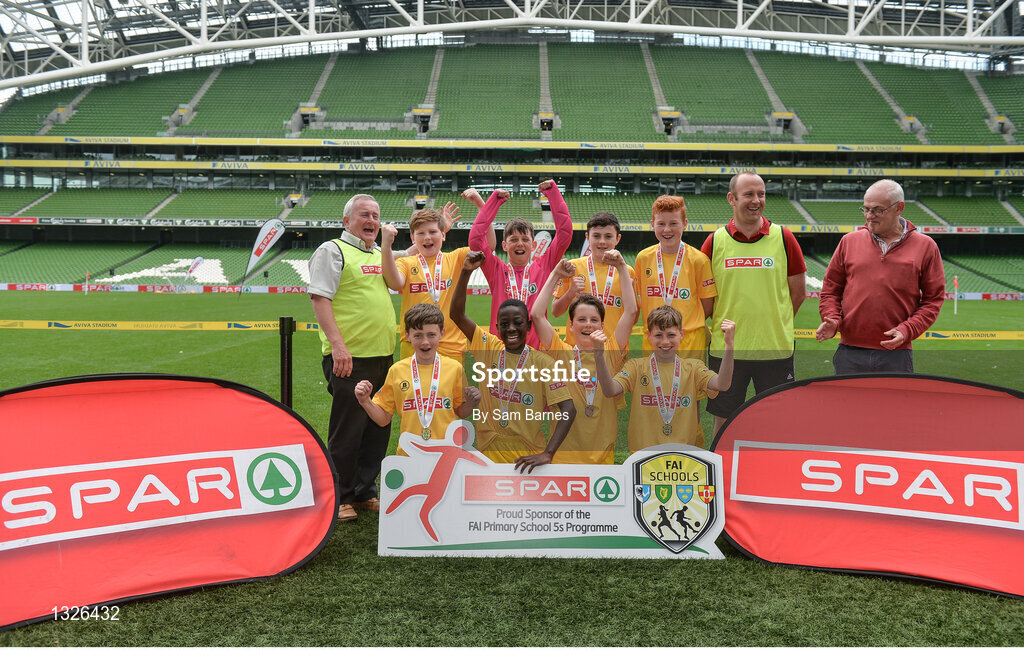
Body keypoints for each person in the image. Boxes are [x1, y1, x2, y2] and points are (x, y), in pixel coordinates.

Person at [308, 193, 396, 522]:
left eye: (375, 214)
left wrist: (440, 226)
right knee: (348, 430)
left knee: (377, 427)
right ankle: (341, 494)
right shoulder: (332, 250)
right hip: (350, 358)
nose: (371, 220)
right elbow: (320, 298)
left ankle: (364, 491)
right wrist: (338, 345)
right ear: (347, 221)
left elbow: (413, 253)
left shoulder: (376, 253)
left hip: (383, 356)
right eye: (364, 214)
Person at [450, 251, 577, 472]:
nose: (511, 328)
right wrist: (465, 272)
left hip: (527, 456)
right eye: (504, 324)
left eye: (517, 322)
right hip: (489, 451)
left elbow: (568, 408)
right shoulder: (488, 347)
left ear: (528, 327)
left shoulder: (542, 363)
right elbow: (457, 315)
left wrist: (548, 453)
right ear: (496, 328)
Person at [701, 172, 807, 434]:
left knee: (775, 422)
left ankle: (773, 473)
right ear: (731, 198)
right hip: (727, 352)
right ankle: (722, 470)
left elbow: (798, 293)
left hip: (774, 350)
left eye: (761, 194)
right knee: (724, 421)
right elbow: (705, 299)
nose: (756, 200)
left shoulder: (784, 238)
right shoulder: (714, 242)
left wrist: (773, 321)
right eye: (749, 194)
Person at [816, 179, 945, 373]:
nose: (869, 216)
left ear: (899, 208)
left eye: (877, 210)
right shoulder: (848, 242)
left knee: (894, 405)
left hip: (896, 355)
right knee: (846, 405)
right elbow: (830, 291)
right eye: (866, 209)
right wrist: (832, 319)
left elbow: (933, 300)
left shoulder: (926, 247)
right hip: (849, 352)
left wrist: (907, 330)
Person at [531, 257, 638, 464]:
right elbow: (537, 315)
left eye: (594, 320)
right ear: (570, 326)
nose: (588, 325)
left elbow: (631, 311)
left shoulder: (612, 352)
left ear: (602, 325)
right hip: (564, 457)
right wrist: (555, 274)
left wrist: (622, 268)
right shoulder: (561, 353)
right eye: (581, 320)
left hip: (602, 458)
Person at [593, 305, 736, 451]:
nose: (665, 342)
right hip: (643, 457)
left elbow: (722, 384)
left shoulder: (694, 368)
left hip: (682, 457)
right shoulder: (635, 367)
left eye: (671, 335)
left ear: (681, 334)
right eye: (659, 335)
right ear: (649, 335)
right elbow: (610, 390)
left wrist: (729, 346)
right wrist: (598, 356)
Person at [354, 303, 481, 452]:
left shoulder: (455, 369)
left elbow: (461, 411)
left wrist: (472, 403)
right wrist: (365, 401)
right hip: (410, 455)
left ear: (442, 333)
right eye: (418, 335)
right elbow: (383, 419)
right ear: (407, 335)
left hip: (447, 454)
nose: (425, 342)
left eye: (431, 334)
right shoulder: (397, 371)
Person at [380, 203, 495, 360]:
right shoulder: (406, 263)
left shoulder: (456, 258)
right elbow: (395, 283)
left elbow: (488, 245)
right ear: (413, 238)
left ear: (444, 235)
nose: (427, 237)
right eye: (421, 233)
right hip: (414, 343)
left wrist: (481, 205)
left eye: (433, 232)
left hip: (450, 345)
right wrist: (386, 246)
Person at [468, 180, 573, 349]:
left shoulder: (543, 266)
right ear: (504, 246)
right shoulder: (496, 269)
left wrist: (553, 193)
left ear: (533, 246)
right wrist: (494, 201)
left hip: (536, 351)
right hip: (501, 351)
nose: (520, 244)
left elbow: (565, 233)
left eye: (525, 240)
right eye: (514, 240)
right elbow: (475, 240)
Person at [633, 195, 717, 360]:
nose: (667, 230)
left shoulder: (699, 260)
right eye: (661, 224)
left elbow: (708, 304)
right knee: (654, 385)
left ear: (685, 224)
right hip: (653, 339)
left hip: (689, 341)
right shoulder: (643, 258)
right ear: (652, 225)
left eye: (673, 223)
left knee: (689, 385)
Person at [550, 211, 638, 347]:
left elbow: (633, 318)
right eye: (596, 236)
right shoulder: (573, 268)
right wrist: (571, 292)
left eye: (608, 236)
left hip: (612, 352)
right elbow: (555, 311)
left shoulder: (627, 272)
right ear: (587, 237)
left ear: (618, 238)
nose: (602, 241)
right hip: (577, 351)